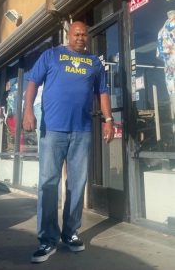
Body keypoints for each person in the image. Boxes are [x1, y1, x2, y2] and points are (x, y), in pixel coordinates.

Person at [23, 21, 114, 263]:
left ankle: (71, 233)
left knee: (77, 183)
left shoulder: (94, 63)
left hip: (82, 130)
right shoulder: (51, 55)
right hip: (52, 130)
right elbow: (32, 82)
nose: (81, 38)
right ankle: (47, 239)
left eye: (84, 34)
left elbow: (102, 92)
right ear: (69, 35)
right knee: (48, 183)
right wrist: (27, 111)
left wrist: (108, 119)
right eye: (77, 34)